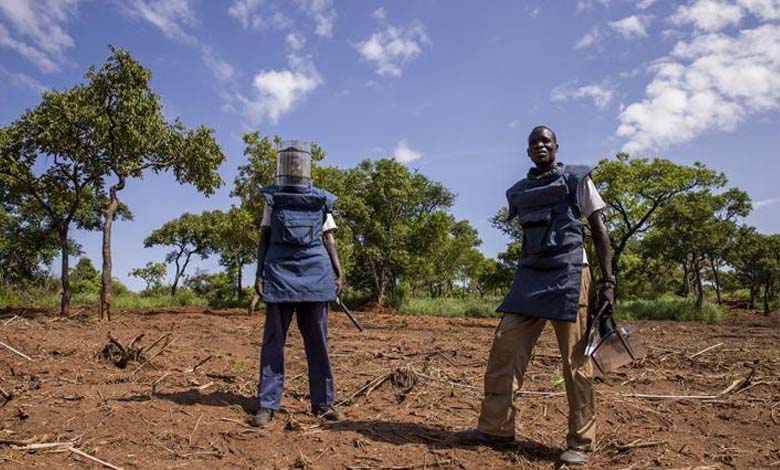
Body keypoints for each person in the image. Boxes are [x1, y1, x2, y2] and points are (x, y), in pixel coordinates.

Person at [458, 126, 615, 465]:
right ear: (527, 151)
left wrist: (609, 282)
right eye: (534, 142)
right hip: (530, 275)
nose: (540, 145)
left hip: (570, 271)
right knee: (505, 347)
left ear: (556, 146)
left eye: (546, 140)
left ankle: (581, 441)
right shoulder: (520, 191)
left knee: (575, 361)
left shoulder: (577, 180)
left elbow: (601, 231)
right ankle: (496, 429)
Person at [249, 142, 346, 427]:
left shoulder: (319, 200)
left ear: (304, 167)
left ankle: (323, 404)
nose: (293, 168)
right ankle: (267, 405)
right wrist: (259, 273)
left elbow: (329, 239)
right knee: (273, 342)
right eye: (289, 164)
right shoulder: (273, 199)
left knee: (318, 342)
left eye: (297, 164)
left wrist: (338, 273)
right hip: (279, 274)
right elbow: (264, 237)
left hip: (316, 275)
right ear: (284, 167)